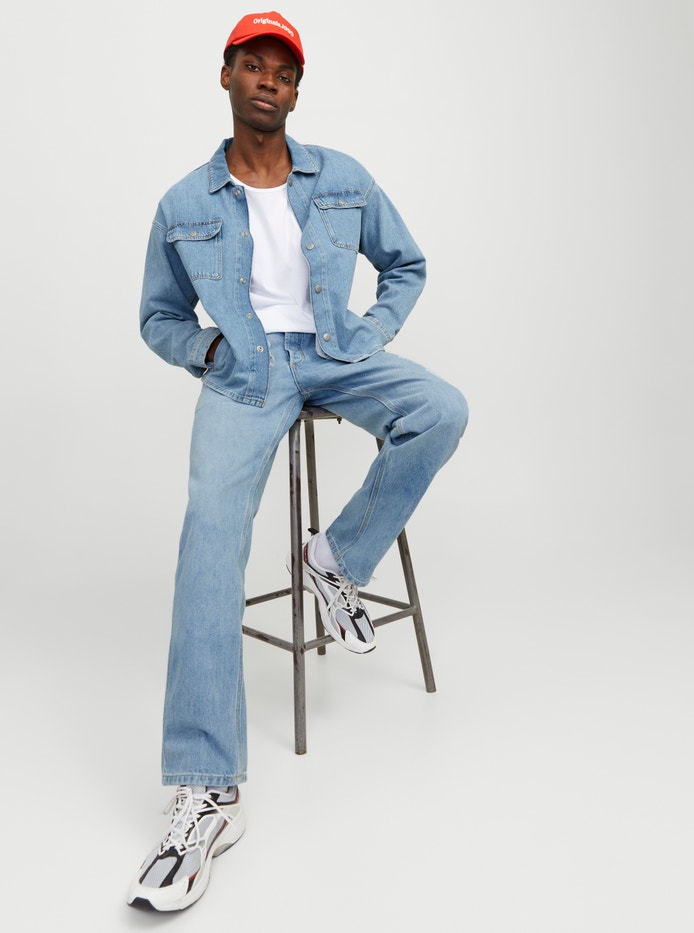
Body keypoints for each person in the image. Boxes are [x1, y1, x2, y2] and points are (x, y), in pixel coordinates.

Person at [127, 10, 468, 912]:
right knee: (209, 536)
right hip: (244, 371)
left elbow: (406, 264)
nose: (269, 80)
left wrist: (368, 333)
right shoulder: (183, 203)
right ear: (227, 75)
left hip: (332, 349)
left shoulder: (342, 177)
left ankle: (337, 559)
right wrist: (207, 351)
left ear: (295, 90)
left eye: (284, 70)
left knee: (440, 408)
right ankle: (209, 789)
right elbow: (158, 315)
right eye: (254, 65)